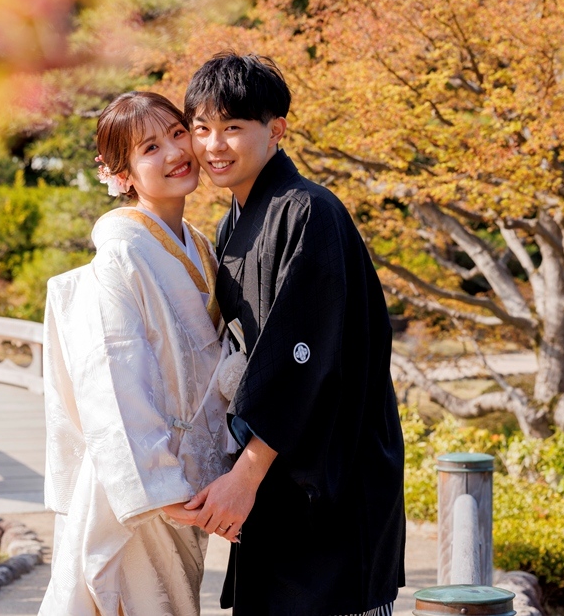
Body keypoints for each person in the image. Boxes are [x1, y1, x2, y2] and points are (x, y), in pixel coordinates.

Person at [165, 52, 406, 615]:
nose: (213, 145)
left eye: (232, 128)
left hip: (331, 473)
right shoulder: (231, 225)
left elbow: (305, 361)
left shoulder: (310, 212)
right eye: (201, 128)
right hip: (275, 473)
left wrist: (244, 476)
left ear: (276, 131)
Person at [40, 91, 234, 615]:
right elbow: (111, 375)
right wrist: (158, 484)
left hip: (186, 474)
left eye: (177, 133)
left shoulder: (201, 246)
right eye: (150, 147)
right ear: (122, 173)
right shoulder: (121, 253)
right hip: (142, 483)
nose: (175, 152)